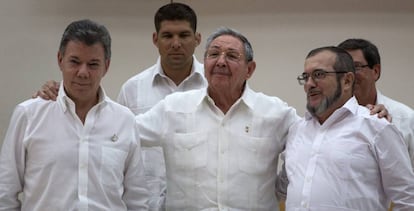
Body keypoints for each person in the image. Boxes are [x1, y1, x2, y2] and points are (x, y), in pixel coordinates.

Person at [32, 3, 206, 210]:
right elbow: (110, 142)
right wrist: (61, 93)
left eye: (184, 35)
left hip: (197, 203)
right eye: (168, 36)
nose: (176, 43)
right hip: (146, 203)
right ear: (155, 39)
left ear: (197, 39)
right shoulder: (133, 89)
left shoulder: (212, 87)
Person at [136, 26, 300, 210]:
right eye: (213, 54)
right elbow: (125, 134)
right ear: (204, 63)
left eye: (231, 56)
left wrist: (279, 190)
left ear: (249, 69)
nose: (221, 62)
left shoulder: (275, 113)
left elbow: (307, 147)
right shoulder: (173, 108)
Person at [0, 19, 149, 210]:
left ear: (107, 66)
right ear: (60, 60)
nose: (83, 72)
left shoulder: (124, 120)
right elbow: (5, 192)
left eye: (93, 64)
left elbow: (137, 199)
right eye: (75, 62)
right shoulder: (29, 115)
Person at [283, 46, 414, 210]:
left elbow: (407, 200)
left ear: (347, 81)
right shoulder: (297, 130)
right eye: (305, 76)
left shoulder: (376, 127)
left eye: (318, 75)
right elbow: (285, 186)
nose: (309, 84)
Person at [338, 38, 414, 169]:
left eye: (356, 67)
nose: (348, 75)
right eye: (341, 69)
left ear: (376, 71)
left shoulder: (406, 118)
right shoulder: (330, 119)